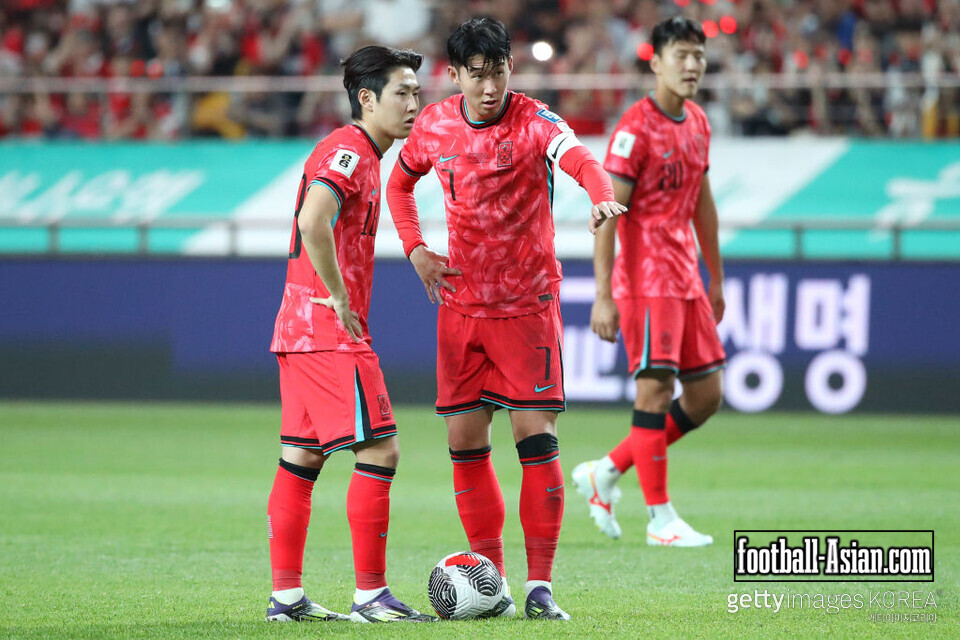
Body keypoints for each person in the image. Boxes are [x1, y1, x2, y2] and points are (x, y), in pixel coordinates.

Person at [386, 17, 626, 620]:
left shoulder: (535, 120)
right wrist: (416, 248)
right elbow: (400, 181)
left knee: (534, 439)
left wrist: (599, 193)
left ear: (510, 70)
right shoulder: (436, 124)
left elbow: (578, 159)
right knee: (464, 442)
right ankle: (489, 581)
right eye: (477, 75)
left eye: (498, 73)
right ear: (456, 76)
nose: (489, 87)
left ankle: (541, 587)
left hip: (526, 308)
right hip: (461, 309)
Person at [265, 45, 436, 624]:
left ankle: (286, 598)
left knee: (301, 458)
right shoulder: (351, 151)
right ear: (367, 98)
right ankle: (371, 595)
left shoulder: (361, 152)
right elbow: (314, 220)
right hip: (326, 329)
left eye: (416, 92)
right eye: (402, 93)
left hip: (297, 328)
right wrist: (338, 294)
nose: (414, 104)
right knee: (381, 448)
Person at [572, 17, 726, 547]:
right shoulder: (635, 128)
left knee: (706, 394)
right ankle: (661, 519)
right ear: (656, 62)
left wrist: (717, 277)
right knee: (655, 389)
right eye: (681, 55)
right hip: (644, 277)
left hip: (684, 273)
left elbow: (703, 205)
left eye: (698, 56)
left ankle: (606, 471)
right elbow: (608, 211)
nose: (691, 65)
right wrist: (603, 294)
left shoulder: (699, 122)